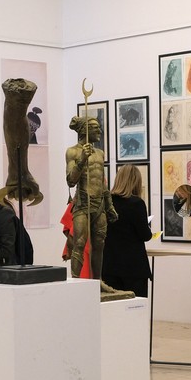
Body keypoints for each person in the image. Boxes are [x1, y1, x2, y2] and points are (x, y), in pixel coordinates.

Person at [65, 116, 117, 283]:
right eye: (95, 128)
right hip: (82, 203)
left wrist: (109, 206)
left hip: (99, 205)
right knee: (79, 243)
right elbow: (70, 181)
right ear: (84, 131)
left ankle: (98, 282)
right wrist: (82, 160)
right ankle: (75, 282)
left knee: (99, 245)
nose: (99, 131)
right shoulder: (72, 152)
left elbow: (102, 182)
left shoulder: (100, 153)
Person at [103, 165, 152, 297]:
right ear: (136, 182)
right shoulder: (136, 204)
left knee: (113, 305)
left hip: (109, 265)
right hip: (133, 267)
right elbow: (145, 235)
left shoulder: (106, 202)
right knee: (135, 306)